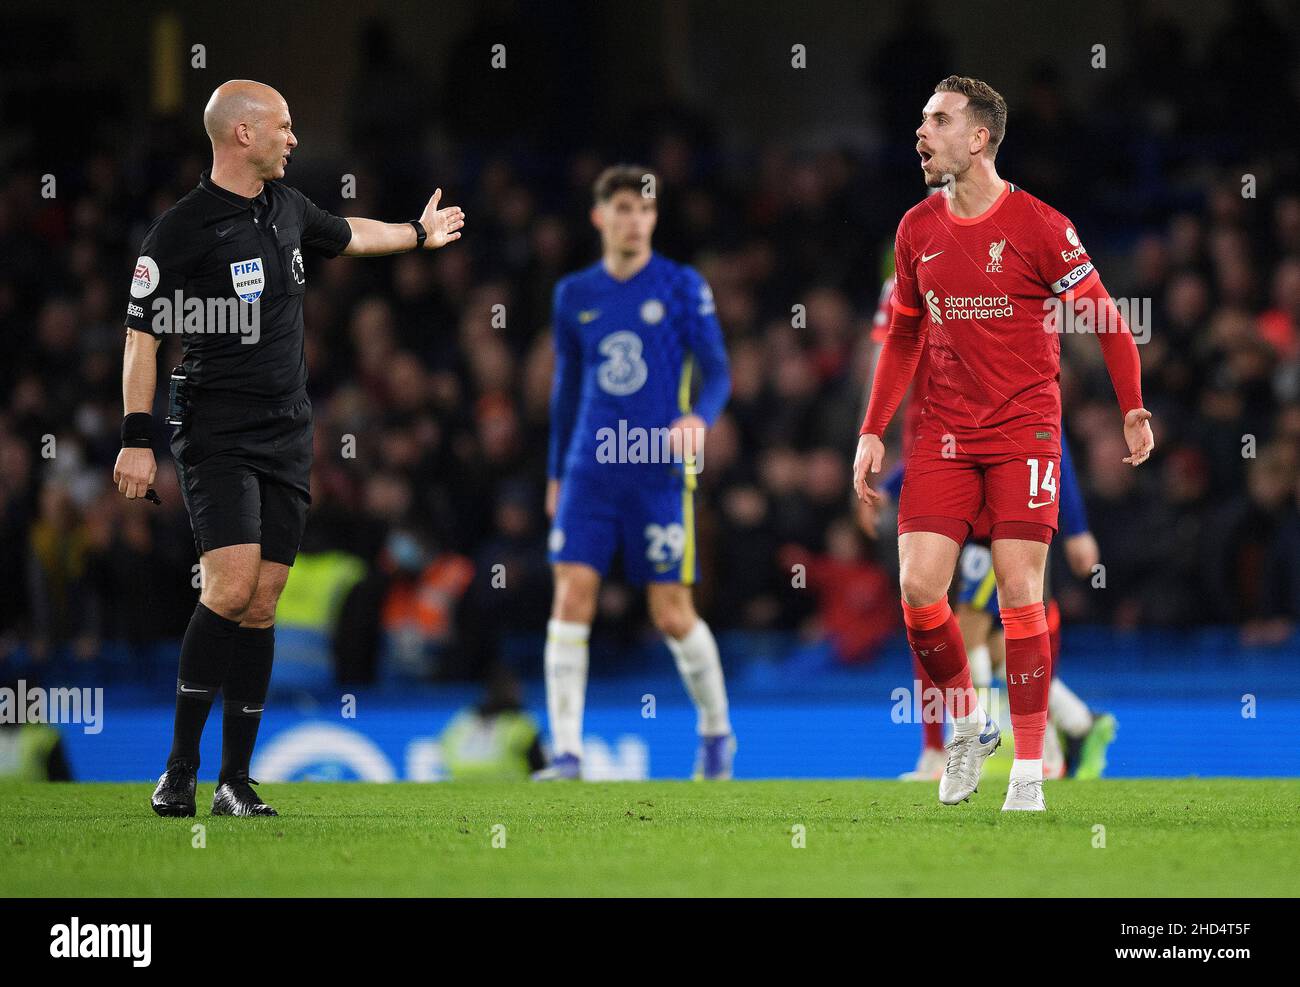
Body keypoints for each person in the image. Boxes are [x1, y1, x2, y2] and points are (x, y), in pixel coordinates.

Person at [113, 80, 465, 817]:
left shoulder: (286, 209)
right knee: (230, 587)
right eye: (284, 126)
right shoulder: (182, 230)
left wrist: (415, 232)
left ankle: (234, 782)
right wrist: (136, 436)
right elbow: (143, 335)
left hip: (287, 430)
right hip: (216, 430)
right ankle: (178, 770)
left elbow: (350, 233)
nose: (295, 139)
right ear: (242, 134)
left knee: (265, 603)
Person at [853, 76, 1153, 811]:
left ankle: (1025, 773)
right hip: (945, 436)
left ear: (978, 137)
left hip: (1024, 433)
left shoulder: (1042, 226)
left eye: (938, 120)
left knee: (1021, 597)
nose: (921, 132)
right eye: (921, 119)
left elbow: (1109, 320)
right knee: (920, 591)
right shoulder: (915, 229)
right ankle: (966, 726)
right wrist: (871, 430)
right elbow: (902, 337)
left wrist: (1134, 409)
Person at [537, 165, 734, 780]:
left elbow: (719, 371)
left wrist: (699, 417)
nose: (635, 220)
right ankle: (566, 751)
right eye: (623, 208)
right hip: (590, 469)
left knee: (671, 610)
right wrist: (555, 472)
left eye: (645, 210)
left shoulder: (681, 285)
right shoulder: (574, 294)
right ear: (600, 216)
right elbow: (567, 388)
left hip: (657, 467)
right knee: (572, 595)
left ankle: (716, 733)